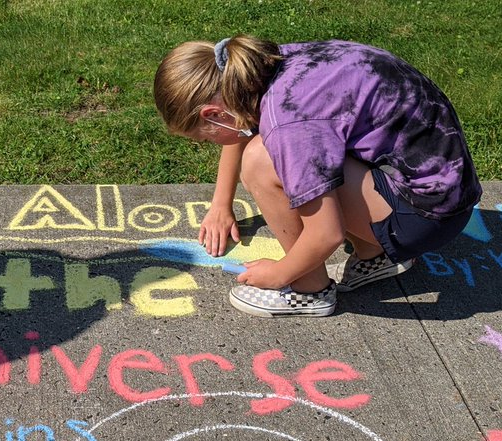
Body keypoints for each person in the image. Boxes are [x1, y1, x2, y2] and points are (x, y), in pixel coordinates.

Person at [153, 35, 482, 317]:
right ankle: (374, 255)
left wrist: (279, 273)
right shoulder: (267, 65)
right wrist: (221, 204)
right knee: (271, 148)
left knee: (259, 160)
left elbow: (327, 234)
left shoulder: (290, 122)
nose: (212, 143)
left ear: (213, 113)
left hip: (426, 217)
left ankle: (309, 290)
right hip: (439, 188)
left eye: (206, 137)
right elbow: (241, 126)